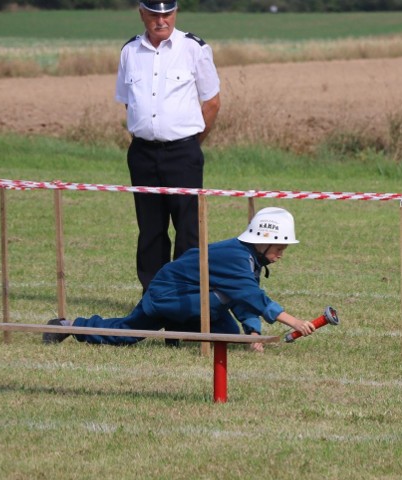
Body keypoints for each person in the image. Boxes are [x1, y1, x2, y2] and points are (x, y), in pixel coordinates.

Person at [43, 208, 316, 353]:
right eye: (280, 249)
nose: (281, 256)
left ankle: (71, 326)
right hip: (167, 295)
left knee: (230, 339)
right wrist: (294, 322)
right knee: (126, 334)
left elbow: (246, 295)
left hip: (192, 296)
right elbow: (252, 297)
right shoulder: (237, 257)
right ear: (262, 242)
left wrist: (252, 330)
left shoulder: (248, 259)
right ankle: (68, 326)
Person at [117, 0, 221, 293]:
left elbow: (212, 102)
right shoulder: (129, 51)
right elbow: (129, 101)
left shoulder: (194, 49)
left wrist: (189, 144)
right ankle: (154, 297)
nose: (161, 20)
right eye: (154, 14)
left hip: (183, 153)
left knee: (188, 230)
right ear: (141, 13)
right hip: (142, 154)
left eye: (168, 13)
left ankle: (185, 296)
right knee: (150, 229)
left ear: (175, 13)